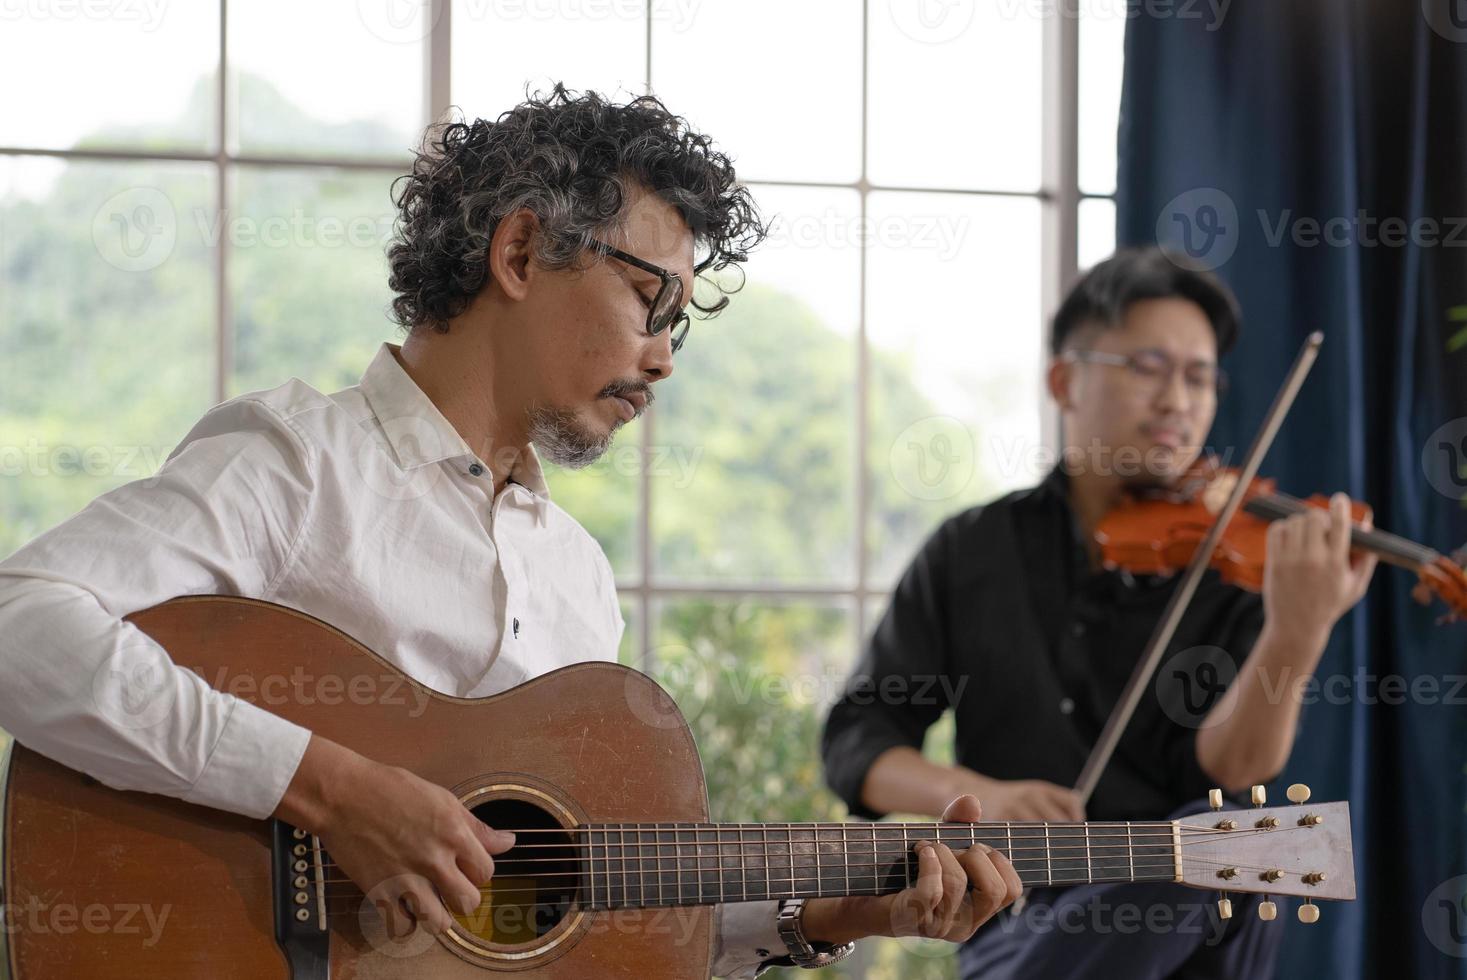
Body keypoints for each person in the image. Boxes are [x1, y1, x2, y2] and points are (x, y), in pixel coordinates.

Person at [0, 85, 1023, 978]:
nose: (665, 357)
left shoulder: (575, 575)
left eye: (683, 322)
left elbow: (570, 929)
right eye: (649, 297)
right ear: (522, 250)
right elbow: (19, 621)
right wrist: (333, 790)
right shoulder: (296, 462)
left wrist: (834, 913)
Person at [821, 247, 1378, 980]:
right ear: (1065, 380)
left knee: (1203, 846)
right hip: (1019, 922)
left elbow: (1233, 766)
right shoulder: (973, 549)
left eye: (1198, 377)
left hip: (1191, 937)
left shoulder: (1238, 561)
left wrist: (1298, 630)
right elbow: (857, 743)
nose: (1178, 401)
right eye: (1148, 368)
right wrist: (982, 797)